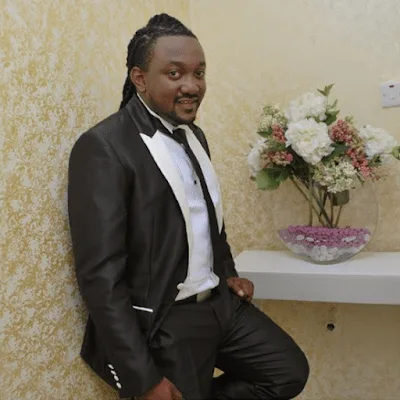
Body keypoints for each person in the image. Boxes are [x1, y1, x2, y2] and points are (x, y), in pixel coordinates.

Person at [67, 13, 309, 400]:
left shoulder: (194, 135)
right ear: (140, 78)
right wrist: (142, 377)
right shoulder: (104, 147)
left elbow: (205, 216)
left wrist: (226, 271)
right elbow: (100, 278)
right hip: (166, 319)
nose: (192, 85)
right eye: (175, 73)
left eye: (199, 73)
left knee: (287, 372)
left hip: (220, 305)